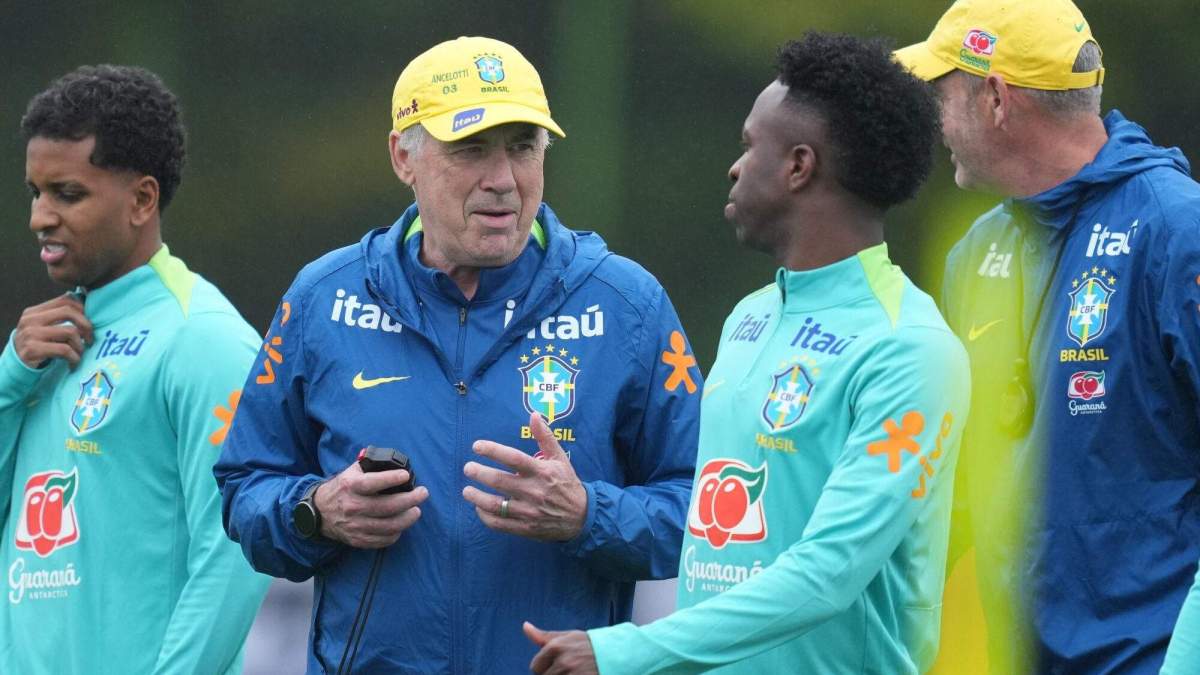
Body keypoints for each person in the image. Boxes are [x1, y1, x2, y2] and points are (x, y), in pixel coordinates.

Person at [213, 36, 701, 673]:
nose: (502, 180)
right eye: (471, 149)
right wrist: (316, 512)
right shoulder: (322, 298)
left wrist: (589, 515)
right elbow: (244, 489)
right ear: (403, 157)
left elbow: (709, 517)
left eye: (523, 147)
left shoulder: (625, 303)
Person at [526, 32, 969, 674]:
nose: (735, 167)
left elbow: (828, 573)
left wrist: (627, 651)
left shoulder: (908, 349)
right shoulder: (750, 317)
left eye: (748, 145)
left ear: (798, 166)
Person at [895, 0, 1200, 672]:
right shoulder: (975, 251)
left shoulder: (1177, 229)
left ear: (996, 100)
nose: (935, 122)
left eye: (943, 95)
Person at [0, 65, 269, 674]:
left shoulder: (202, 339)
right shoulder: (39, 349)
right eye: (35, 193)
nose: (40, 217)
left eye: (67, 194)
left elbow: (233, 556)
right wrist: (7, 382)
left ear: (142, 200)